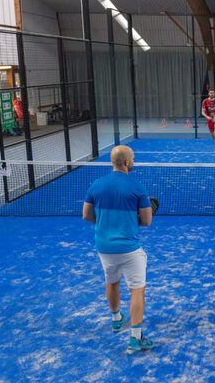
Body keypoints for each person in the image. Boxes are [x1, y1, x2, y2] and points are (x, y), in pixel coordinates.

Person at [82, 145, 155, 352]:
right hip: (129, 249)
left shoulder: (96, 185)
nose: (133, 161)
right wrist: (130, 221)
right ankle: (136, 337)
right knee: (137, 290)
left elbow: (86, 215)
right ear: (126, 162)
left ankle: (116, 319)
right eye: (133, 158)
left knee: (112, 281)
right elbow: (146, 220)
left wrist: (106, 224)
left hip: (104, 247)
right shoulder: (137, 187)